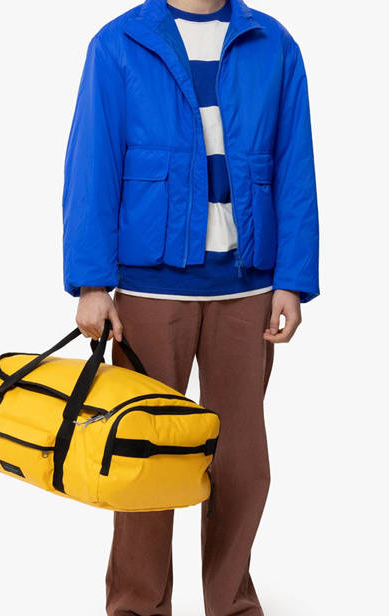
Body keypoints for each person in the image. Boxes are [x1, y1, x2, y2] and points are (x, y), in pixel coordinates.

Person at [62, 0, 319, 613]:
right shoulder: (119, 43)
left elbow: (296, 166)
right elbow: (92, 163)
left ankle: (231, 603)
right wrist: (92, 283)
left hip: (247, 290)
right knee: (142, 455)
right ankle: (138, 605)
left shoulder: (273, 43)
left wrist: (293, 279)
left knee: (241, 465)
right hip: (150, 292)